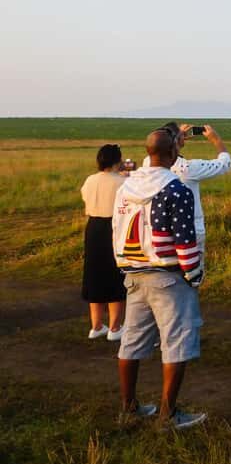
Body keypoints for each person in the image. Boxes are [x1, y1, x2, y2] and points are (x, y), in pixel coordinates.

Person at [113, 130, 206, 428]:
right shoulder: (177, 190)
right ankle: (169, 413)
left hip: (133, 273)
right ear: (172, 155)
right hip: (168, 275)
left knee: (132, 341)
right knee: (177, 342)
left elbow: (115, 227)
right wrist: (194, 273)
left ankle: (128, 407)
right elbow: (184, 239)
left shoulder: (126, 187)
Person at [144, 122, 231, 284]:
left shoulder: (146, 165)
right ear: (176, 144)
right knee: (190, 281)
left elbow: (158, 149)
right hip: (189, 232)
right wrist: (216, 140)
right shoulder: (189, 168)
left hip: (156, 232)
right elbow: (224, 165)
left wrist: (175, 140)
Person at [80, 144, 127, 341]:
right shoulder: (122, 181)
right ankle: (115, 328)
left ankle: (96, 325)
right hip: (113, 228)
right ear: (118, 160)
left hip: (93, 227)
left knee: (94, 274)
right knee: (115, 275)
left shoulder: (90, 179)